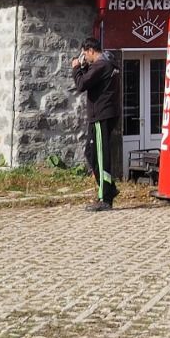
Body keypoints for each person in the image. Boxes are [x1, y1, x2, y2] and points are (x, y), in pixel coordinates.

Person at [70, 37, 121, 211]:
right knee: (91, 152)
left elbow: (82, 84)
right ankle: (110, 188)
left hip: (101, 116)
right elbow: (92, 79)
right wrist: (85, 67)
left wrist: (77, 67)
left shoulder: (101, 65)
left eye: (86, 54)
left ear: (91, 51)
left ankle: (105, 197)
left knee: (100, 156)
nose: (85, 58)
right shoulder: (109, 63)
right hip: (105, 114)